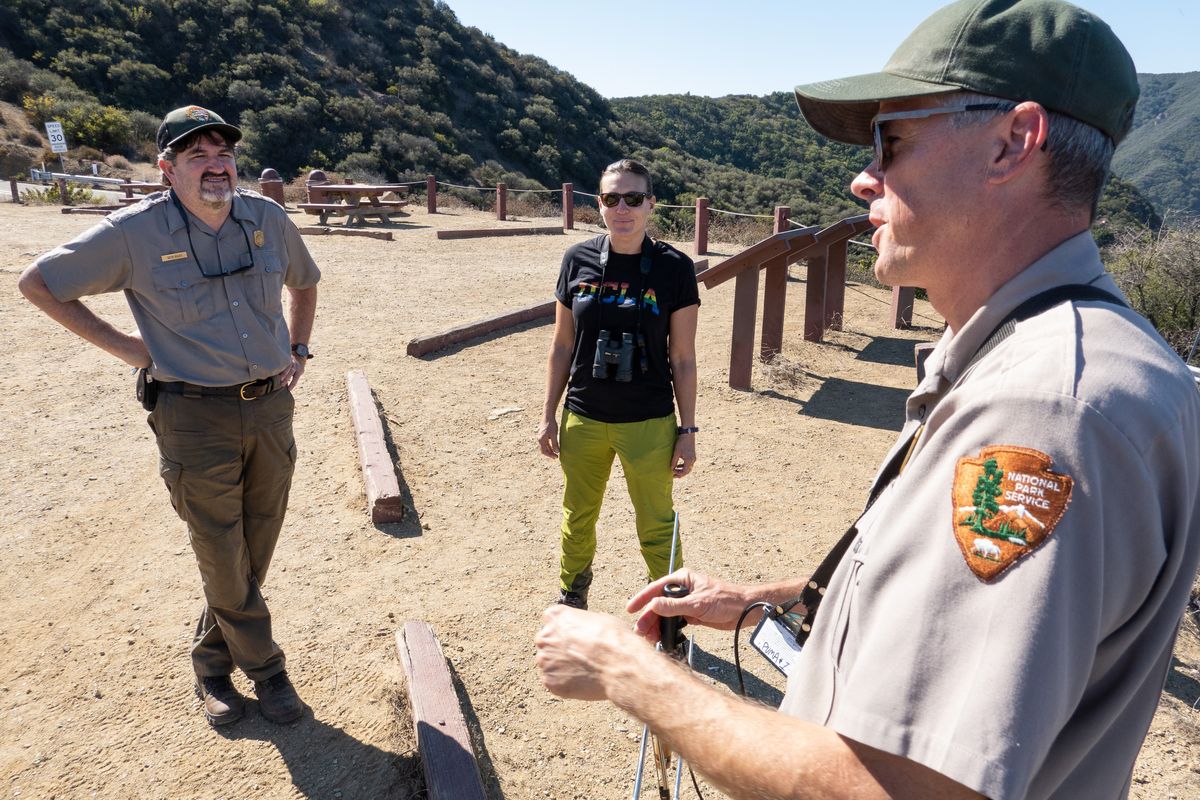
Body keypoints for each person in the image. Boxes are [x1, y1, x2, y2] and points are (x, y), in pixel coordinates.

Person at [535, 1, 1200, 797]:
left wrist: (629, 673)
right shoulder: (1037, 354)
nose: (863, 176)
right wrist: (774, 599)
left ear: (1012, 142)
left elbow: (904, 787)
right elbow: (946, 615)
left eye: (892, 140)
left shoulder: (1047, 409)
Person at [18, 105, 321, 727]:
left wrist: (298, 348)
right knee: (218, 548)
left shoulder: (267, 217)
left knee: (254, 544)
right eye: (196, 157)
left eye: (223, 154)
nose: (216, 167)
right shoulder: (133, 232)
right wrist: (130, 349)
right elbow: (39, 283)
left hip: (269, 407)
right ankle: (267, 672)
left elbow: (305, 281)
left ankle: (210, 659)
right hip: (192, 416)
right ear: (167, 169)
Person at [537, 159, 700, 610]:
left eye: (633, 198)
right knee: (578, 517)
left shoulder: (674, 268)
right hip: (584, 415)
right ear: (599, 204)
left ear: (651, 204)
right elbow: (561, 344)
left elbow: (683, 358)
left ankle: (671, 612)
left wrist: (687, 431)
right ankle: (573, 596)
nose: (622, 208)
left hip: (648, 420)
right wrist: (548, 415)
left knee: (657, 523)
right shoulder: (578, 259)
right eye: (612, 198)